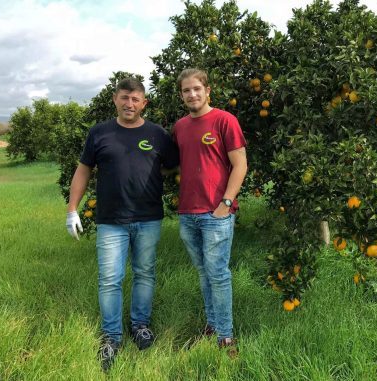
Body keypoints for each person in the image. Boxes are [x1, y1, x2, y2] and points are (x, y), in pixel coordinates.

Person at [65, 77, 179, 371]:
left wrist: (149, 177)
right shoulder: (99, 133)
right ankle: (111, 337)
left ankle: (140, 325)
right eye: (125, 97)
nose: (130, 104)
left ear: (144, 103)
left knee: (144, 274)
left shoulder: (157, 134)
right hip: (111, 221)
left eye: (136, 99)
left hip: (148, 218)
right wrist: (72, 209)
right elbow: (83, 170)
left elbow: (172, 165)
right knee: (109, 280)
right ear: (115, 99)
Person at [173, 68, 247, 357]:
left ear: (207, 90)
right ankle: (212, 325)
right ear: (181, 95)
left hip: (216, 213)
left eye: (196, 89)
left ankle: (226, 336)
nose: (191, 94)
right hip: (187, 213)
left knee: (218, 274)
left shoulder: (224, 120)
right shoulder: (180, 127)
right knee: (204, 274)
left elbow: (240, 165)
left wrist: (226, 204)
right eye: (186, 91)